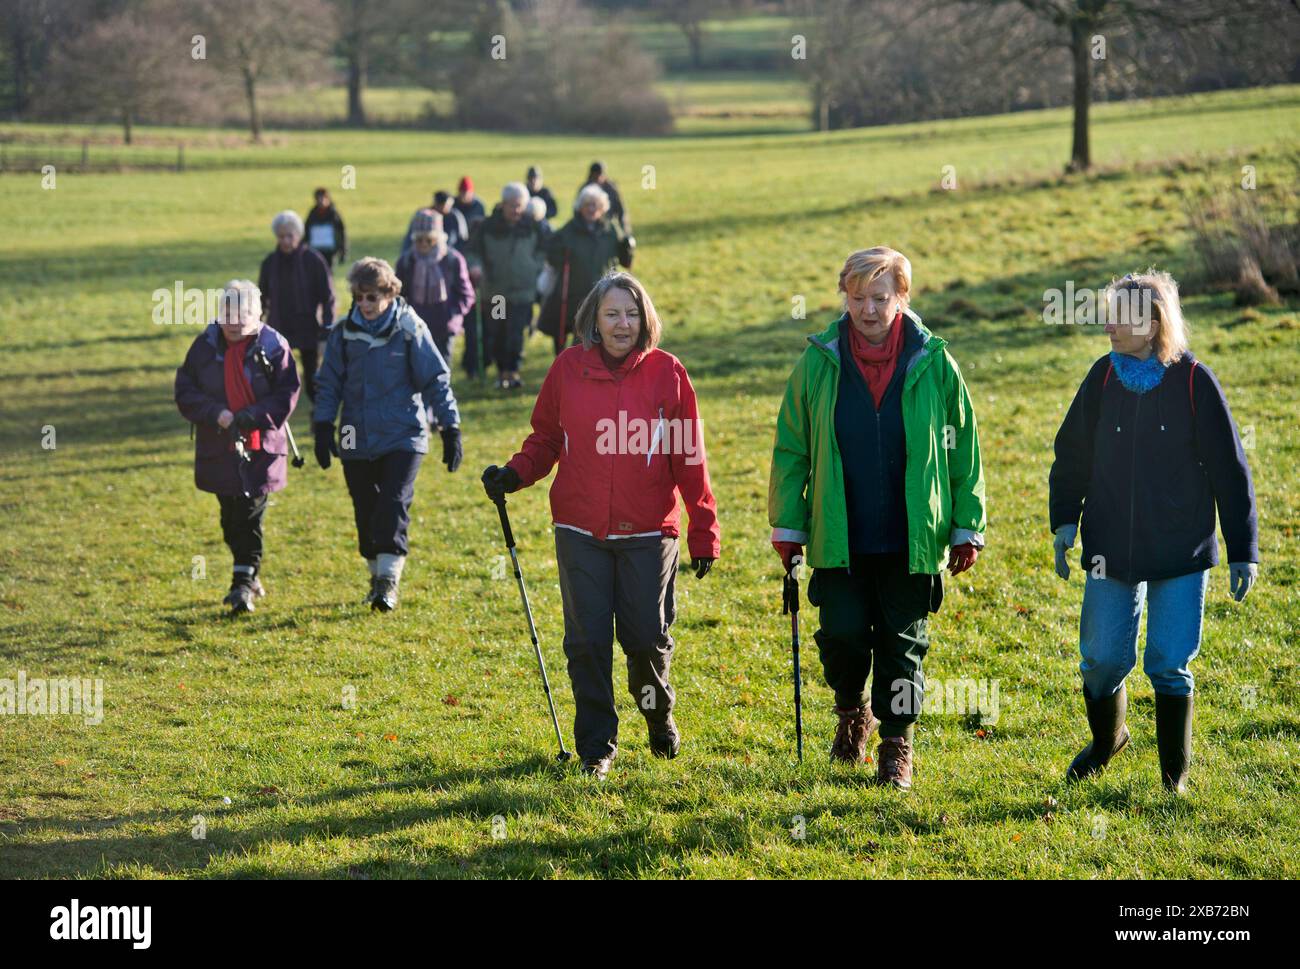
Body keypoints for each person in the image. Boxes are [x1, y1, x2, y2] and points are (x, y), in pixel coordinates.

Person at [481, 272, 720, 780]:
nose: (622, 324)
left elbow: (689, 458)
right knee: (587, 642)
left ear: (645, 319)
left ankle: (657, 714)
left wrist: (704, 530)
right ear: (594, 318)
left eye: (632, 314)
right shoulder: (568, 368)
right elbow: (545, 439)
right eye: (612, 314)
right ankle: (595, 746)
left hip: (649, 532)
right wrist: (514, 473)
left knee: (645, 638)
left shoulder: (669, 374)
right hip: (579, 529)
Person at [768, 247, 986, 789]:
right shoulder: (818, 362)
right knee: (841, 635)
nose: (868, 310)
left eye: (880, 298)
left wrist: (967, 525)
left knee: (902, 643)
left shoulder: (934, 362)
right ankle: (851, 712)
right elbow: (792, 449)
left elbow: (964, 452)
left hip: (913, 536)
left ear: (902, 297)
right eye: (858, 297)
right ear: (845, 296)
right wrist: (788, 526)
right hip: (838, 533)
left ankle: (896, 743)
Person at [1049, 270, 1258, 795]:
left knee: (1168, 662)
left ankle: (1174, 780)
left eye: (1122, 315)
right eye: (1108, 313)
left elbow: (1231, 469)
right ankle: (1107, 740)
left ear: (1155, 321)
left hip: (1182, 552)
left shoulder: (1193, 381)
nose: (1109, 324)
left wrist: (1243, 550)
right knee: (1101, 661)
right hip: (1109, 551)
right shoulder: (1101, 378)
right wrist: (1063, 523)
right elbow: (1070, 453)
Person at [312, 258, 463, 612]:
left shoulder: (410, 328)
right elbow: (329, 383)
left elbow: (435, 379)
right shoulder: (342, 333)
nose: (364, 304)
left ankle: (388, 581)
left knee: (393, 502)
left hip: (403, 433)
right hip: (354, 434)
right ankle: (374, 573)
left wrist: (450, 427)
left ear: (389, 292)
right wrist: (322, 427)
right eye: (358, 297)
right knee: (365, 508)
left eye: (371, 297)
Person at [174, 280, 301, 615]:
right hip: (219, 445)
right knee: (230, 518)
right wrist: (215, 413)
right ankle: (248, 569)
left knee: (251, 512)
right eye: (228, 314)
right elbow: (185, 391)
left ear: (255, 315)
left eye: (241, 315)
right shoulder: (204, 347)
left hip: (262, 445)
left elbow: (287, 391)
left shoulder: (273, 346)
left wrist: (253, 416)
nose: (234, 322)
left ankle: (241, 584)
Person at [467, 182, 547, 389]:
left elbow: (544, 250)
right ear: (503, 204)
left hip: (523, 291)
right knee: (497, 331)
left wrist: (534, 266)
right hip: (496, 293)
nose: (516, 210)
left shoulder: (532, 226)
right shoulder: (487, 226)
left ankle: (513, 371)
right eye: (512, 205)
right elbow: (473, 252)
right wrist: (475, 267)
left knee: (516, 332)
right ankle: (501, 372)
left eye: (520, 205)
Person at [539, 184, 634, 355]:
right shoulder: (570, 230)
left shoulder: (611, 230)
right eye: (587, 205)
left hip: (603, 293)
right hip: (574, 294)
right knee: (576, 332)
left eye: (595, 205)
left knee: (593, 335)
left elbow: (624, 258)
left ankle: (591, 368)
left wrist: (628, 246)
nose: (591, 209)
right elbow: (553, 255)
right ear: (580, 207)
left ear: (602, 208)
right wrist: (557, 253)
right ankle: (568, 368)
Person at [257, 210, 335, 402]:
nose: (285, 241)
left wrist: (326, 330)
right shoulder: (270, 263)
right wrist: (255, 329)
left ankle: (318, 416)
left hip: (308, 328)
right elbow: (260, 299)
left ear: (299, 235)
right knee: (279, 379)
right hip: (279, 328)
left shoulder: (313, 260)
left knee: (312, 378)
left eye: (290, 235)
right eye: (281, 236)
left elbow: (328, 297)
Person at [394, 210, 475, 370]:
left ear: (438, 238)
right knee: (416, 369)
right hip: (414, 326)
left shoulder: (453, 260)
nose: (423, 244)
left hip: (444, 327)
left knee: (441, 369)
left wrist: (451, 314)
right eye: (419, 240)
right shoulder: (407, 261)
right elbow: (398, 295)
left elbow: (467, 295)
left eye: (429, 240)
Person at [400, 191, 469, 260]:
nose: (448, 208)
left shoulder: (455, 217)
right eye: (446, 205)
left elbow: (463, 239)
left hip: (449, 255)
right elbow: (410, 238)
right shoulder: (423, 217)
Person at [580, 160, 628, 234]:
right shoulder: (585, 190)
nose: (598, 178)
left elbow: (621, 211)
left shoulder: (611, 189)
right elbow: (577, 210)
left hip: (607, 226)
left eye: (600, 175)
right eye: (595, 176)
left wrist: (625, 231)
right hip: (587, 227)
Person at [304, 188, 347, 267]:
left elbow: (341, 233)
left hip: (330, 251)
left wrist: (343, 251)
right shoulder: (312, 214)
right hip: (315, 251)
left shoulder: (334, 214)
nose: (321, 201)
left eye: (324, 198)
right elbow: (306, 232)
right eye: (319, 198)